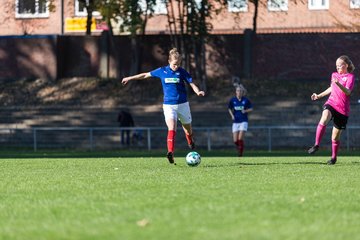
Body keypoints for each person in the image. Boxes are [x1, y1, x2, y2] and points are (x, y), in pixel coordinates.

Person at [121, 48, 205, 164]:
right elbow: (145, 75)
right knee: (172, 128)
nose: (177, 66)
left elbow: (191, 83)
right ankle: (170, 152)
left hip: (183, 105)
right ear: (169, 61)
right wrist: (130, 78)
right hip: (169, 106)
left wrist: (198, 91)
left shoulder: (182, 72)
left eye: (179, 64)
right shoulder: (162, 71)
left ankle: (190, 141)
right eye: (175, 64)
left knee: (188, 130)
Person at [307, 55, 355, 165]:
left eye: (340, 65)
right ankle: (316, 145)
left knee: (335, 136)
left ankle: (333, 158)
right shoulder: (334, 75)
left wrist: (338, 84)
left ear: (346, 65)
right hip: (331, 103)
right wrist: (319, 96)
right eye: (336, 66)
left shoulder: (350, 77)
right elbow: (331, 88)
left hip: (343, 109)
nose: (338, 67)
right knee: (324, 118)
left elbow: (348, 92)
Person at [228, 84, 253, 157]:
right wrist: (232, 115)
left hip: (243, 121)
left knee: (240, 138)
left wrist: (245, 111)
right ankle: (240, 148)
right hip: (236, 122)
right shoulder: (233, 100)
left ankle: (240, 154)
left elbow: (251, 108)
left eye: (240, 91)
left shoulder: (246, 100)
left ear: (242, 92)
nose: (239, 92)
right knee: (235, 140)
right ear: (236, 92)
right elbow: (229, 108)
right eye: (238, 91)